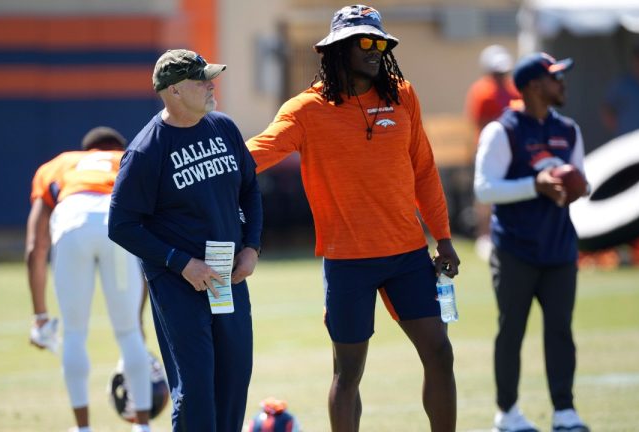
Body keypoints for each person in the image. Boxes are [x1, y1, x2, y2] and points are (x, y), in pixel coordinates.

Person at [247, 5, 461, 431]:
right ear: (337, 50)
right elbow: (256, 154)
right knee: (348, 373)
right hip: (348, 263)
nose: (376, 49)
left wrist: (444, 237)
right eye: (365, 41)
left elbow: (423, 170)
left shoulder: (404, 95)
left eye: (381, 42)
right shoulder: (306, 109)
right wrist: (195, 159)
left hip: (407, 255)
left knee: (439, 353)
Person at [107, 49, 262, 432]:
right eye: (201, 79)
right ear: (174, 92)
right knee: (195, 388)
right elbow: (121, 224)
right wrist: (181, 262)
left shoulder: (223, 127)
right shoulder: (146, 151)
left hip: (226, 276)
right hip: (179, 283)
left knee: (234, 376)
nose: (211, 85)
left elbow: (250, 189)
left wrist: (252, 246)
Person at [474, 52, 591, 432]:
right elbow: (484, 188)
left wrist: (575, 189)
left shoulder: (569, 129)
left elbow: (580, 181)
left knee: (560, 329)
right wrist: (535, 184)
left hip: (558, 245)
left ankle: (565, 411)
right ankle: (507, 413)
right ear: (534, 86)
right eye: (556, 77)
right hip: (515, 249)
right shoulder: (503, 130)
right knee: (512, 330)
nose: (563, 84)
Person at [25, 127, 152, 432]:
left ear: (86, 150)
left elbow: (34, 247)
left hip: (71, 224)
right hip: (117, 225)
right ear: (118, 148)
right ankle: (143, 426)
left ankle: (83, 428)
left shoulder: (59, 164)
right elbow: (150, 239)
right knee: (129, 333)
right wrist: (139, 315)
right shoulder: (130, 159)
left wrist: (40, 316)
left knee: (74, 333)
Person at [465, 44, 520, 260]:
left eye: (503, 72)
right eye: (497, 72)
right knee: (485, 194)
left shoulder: (514, 90)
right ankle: (484, 236)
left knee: (509, 192)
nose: (501, 76)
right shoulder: (482, 92)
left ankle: (507, 232)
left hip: (511, 149)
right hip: (488, 149)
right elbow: (478, 122)